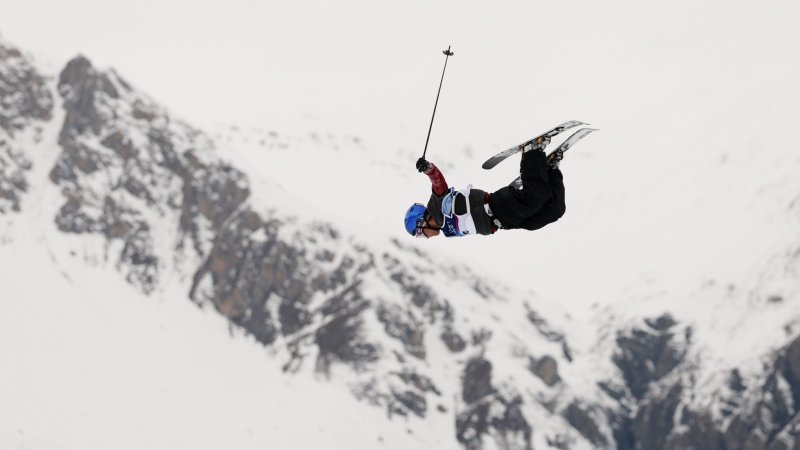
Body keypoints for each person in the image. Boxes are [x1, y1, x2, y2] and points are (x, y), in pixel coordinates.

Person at [404, 136, 567, 238]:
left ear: (422, 222)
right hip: (503, 222)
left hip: (496, 206)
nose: (425, 238)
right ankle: (551, 169)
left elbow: (438, 181)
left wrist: (428, 168)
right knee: (553, 211)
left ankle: (532, 151)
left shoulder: (437, 207)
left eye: (420, 235)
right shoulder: (447, 231)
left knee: (534, 197)